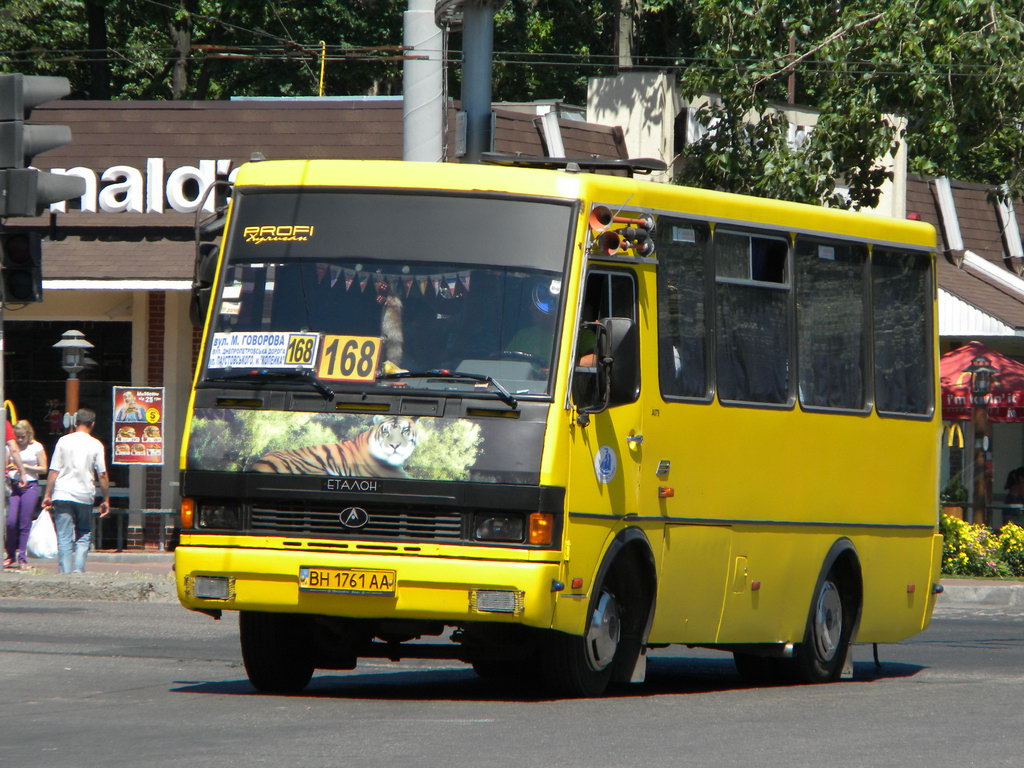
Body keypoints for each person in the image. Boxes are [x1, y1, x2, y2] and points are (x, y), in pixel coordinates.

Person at [41, 408, 110, 574]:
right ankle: (78, 569)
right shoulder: (96, 444)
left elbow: (54, 470)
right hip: (84, 494)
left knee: (64, 536)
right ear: (92, 424)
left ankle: (65, 572)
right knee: (84, 532)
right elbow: (102, 474)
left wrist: (48, 494)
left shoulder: (63, 441)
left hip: (63, 493)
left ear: (75, 422)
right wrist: (106, 499)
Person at [4, 420, 46, 570]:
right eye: (17, 437)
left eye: (22, 436)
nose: (19, 440)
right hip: (14, 485)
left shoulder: (36, 447)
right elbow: (6, 464)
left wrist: (25, 467)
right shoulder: (11, 447)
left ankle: (22, 557)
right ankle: (10, 555)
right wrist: (10, 468)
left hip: (30, 485)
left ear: (29, 434)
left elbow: (43, 468)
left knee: (24, 522)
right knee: (10, 521)